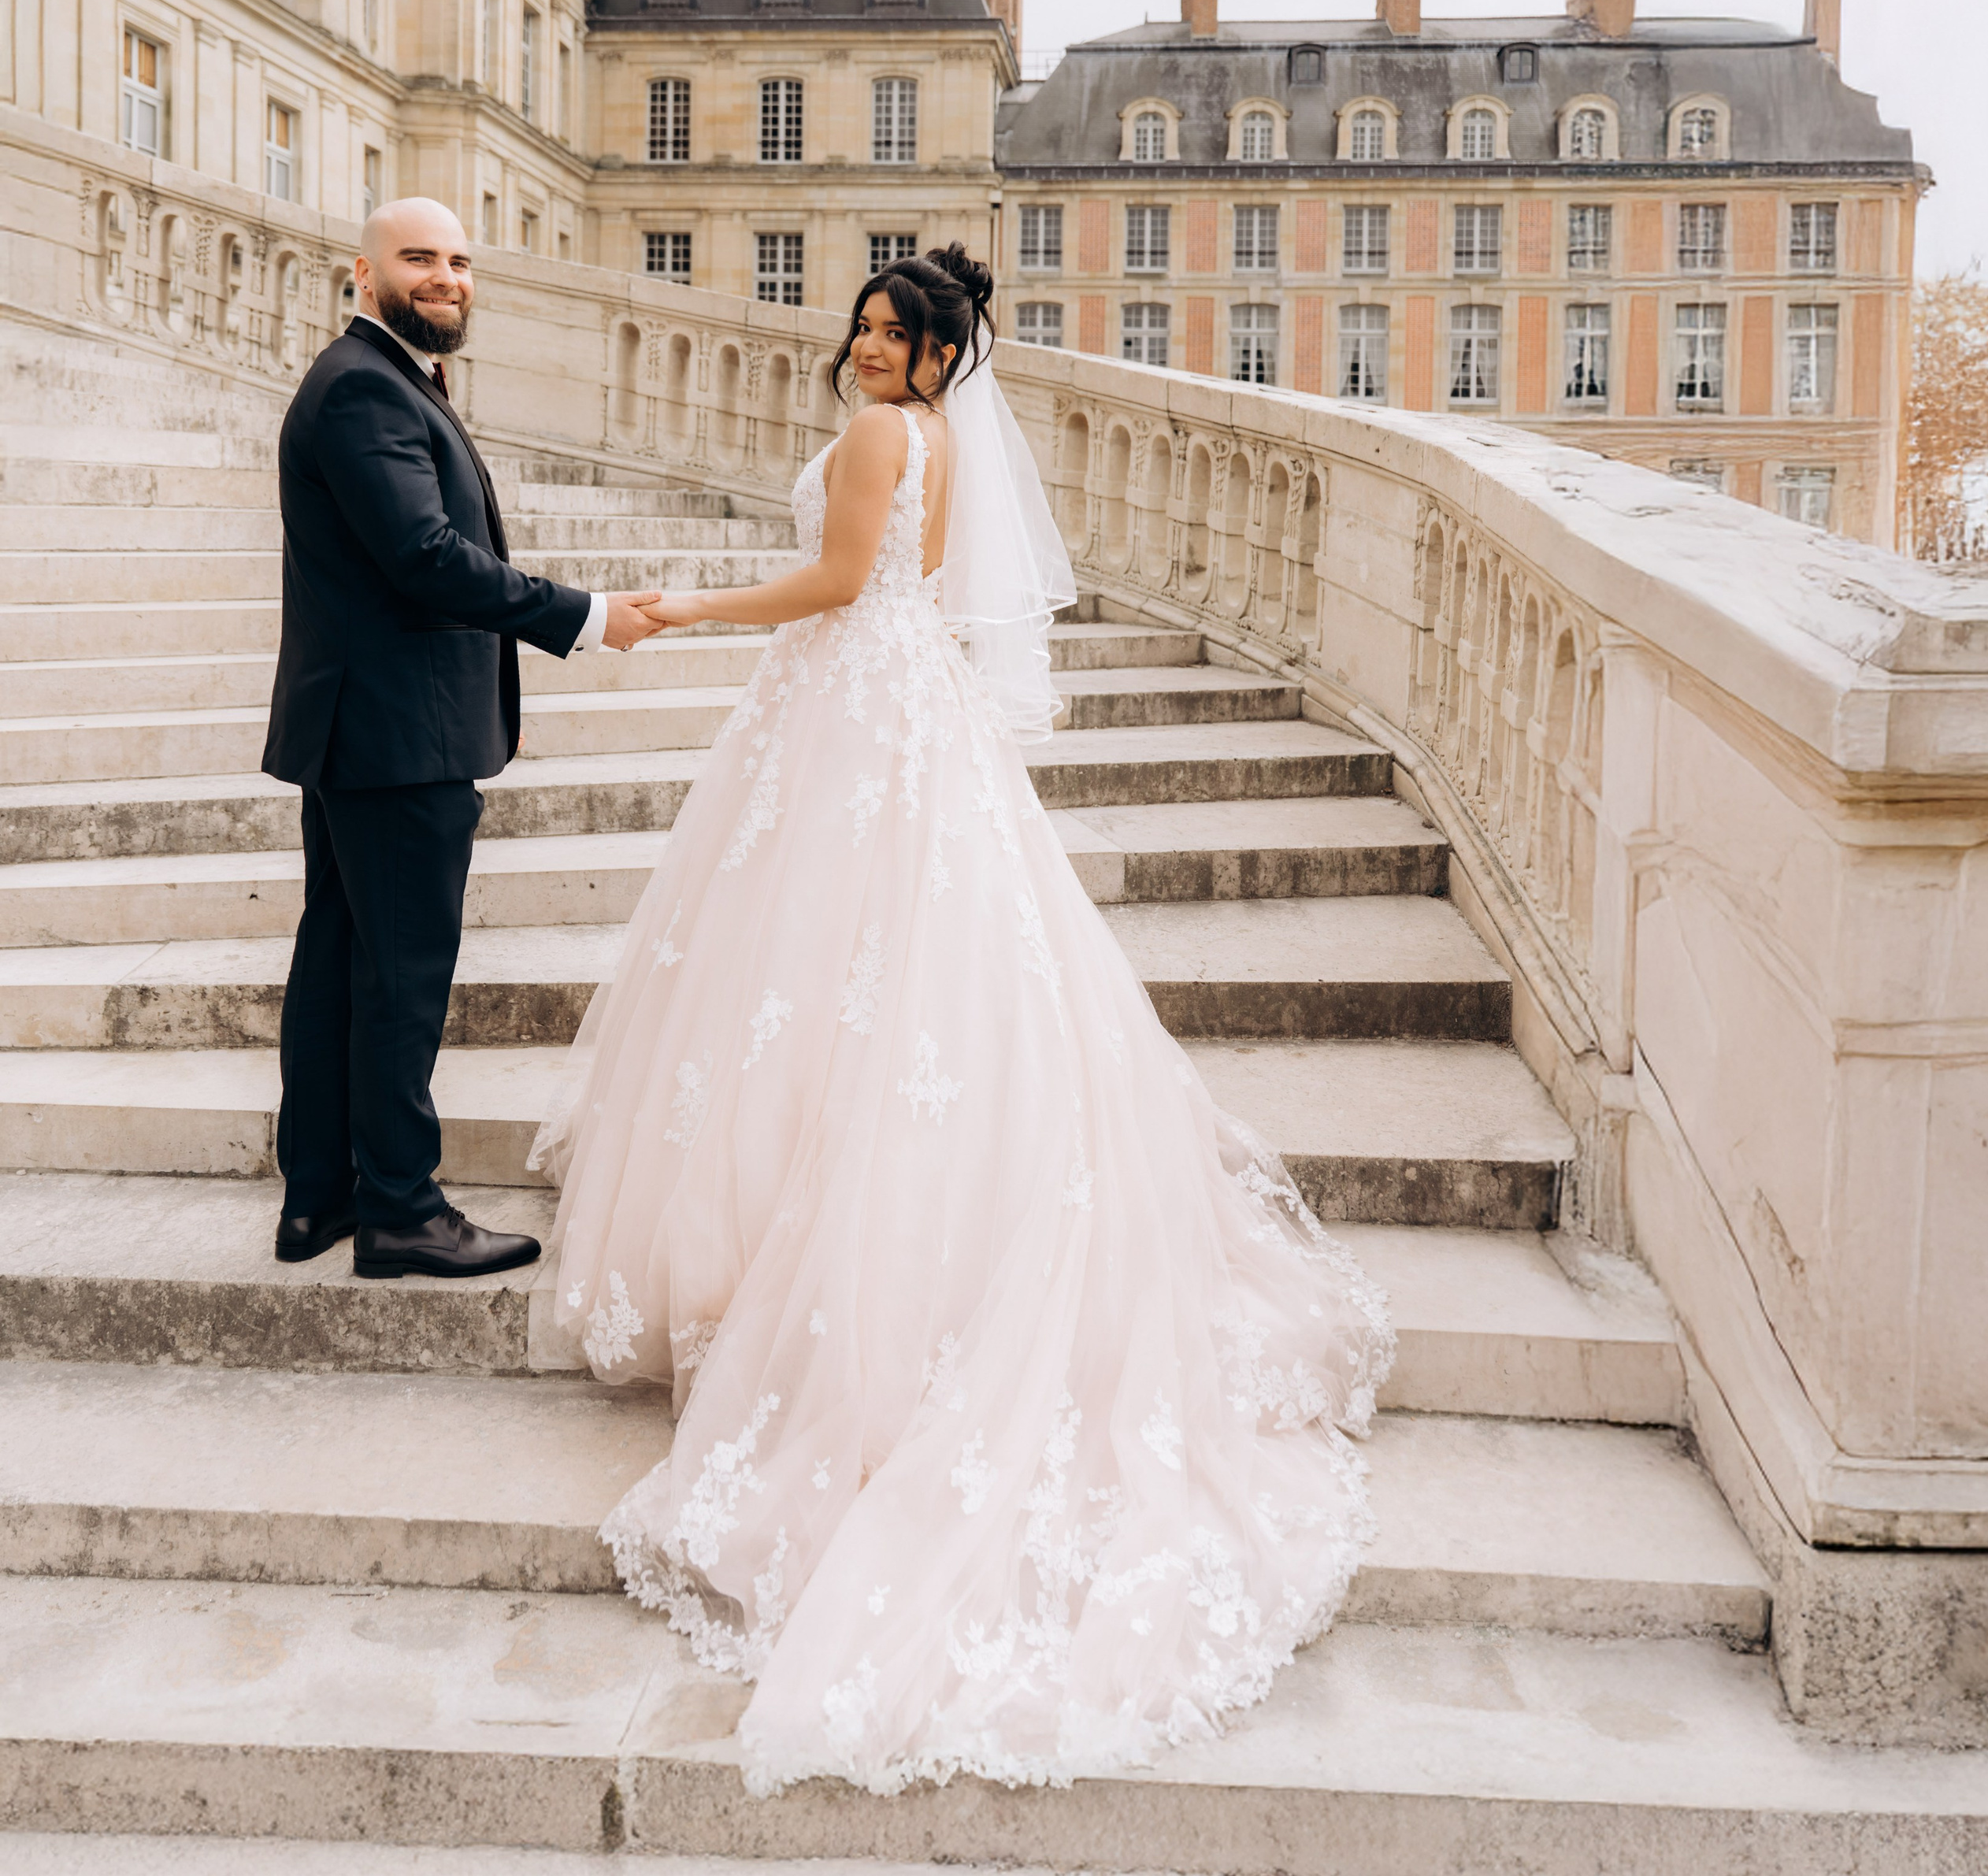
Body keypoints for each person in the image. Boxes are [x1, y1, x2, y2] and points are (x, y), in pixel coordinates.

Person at [532, 243, 1393, 1795]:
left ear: (941, 354)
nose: (867, 350)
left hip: (852, 702)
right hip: (887, 710)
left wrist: (682, 605)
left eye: (895, 333)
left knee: (823, 985)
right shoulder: (931, 435)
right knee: (886, 987)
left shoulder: (884, 438)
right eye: (858, 327)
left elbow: (837, 583)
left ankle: (797, 1280)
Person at [262, 198, 667, 1279]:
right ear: (364, 272)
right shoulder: (361, 386)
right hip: (398, 737)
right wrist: (582, 616)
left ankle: (321, 1197)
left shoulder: (388, 379)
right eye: (420, 259)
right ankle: (400, 1212)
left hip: (373, 729)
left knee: (344, 958)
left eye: (459, 260)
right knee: (400, 976)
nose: (447, 276)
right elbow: (428, 558)